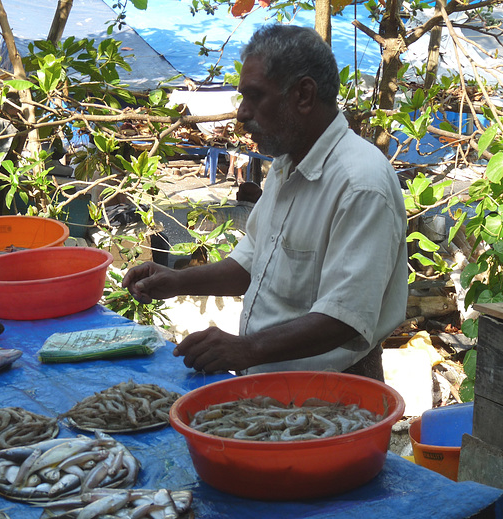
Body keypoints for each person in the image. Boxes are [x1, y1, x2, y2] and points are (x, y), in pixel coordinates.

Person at [122, 25, 408, 381]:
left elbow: (344, 319)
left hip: (336, 392)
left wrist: (247, 348)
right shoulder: (287, 164)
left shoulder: (361, 184)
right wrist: (177, 282)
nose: (241, 114)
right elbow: (252, 262)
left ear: (304, 95)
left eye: (254, 97)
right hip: (270, 385)